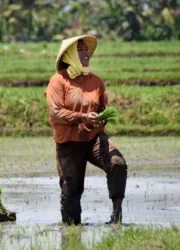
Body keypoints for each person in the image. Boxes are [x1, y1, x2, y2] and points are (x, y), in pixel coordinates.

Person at [44, 35, 127, 225]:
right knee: (71, 189)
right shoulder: (58, 81)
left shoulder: (95, 81)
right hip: (68, 142)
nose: (85, 53)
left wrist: (100, 119)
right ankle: (71, 230)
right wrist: (82, 117)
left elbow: (102, 108)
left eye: (86, 49)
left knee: (117, 163)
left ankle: (117, 215)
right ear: (70, 55)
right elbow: (56, 113)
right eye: (79, 50)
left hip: (93, 138)